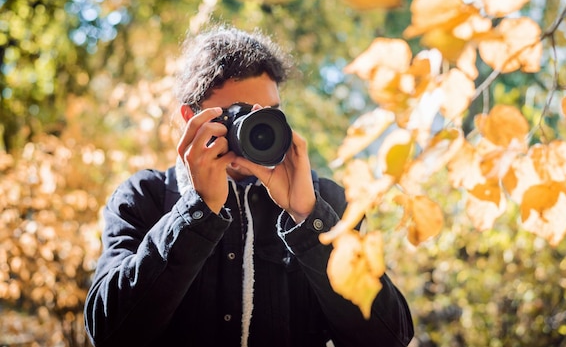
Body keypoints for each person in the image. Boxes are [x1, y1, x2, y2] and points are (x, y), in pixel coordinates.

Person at [84, 25, 414, 347]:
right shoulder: (145, 197)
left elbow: (390, 338)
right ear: (191, 118)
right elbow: (109, 332)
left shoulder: (324, 201)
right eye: (239, 114)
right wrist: (197, 211)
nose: (257, 126)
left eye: (269, 113)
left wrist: (308, 219)